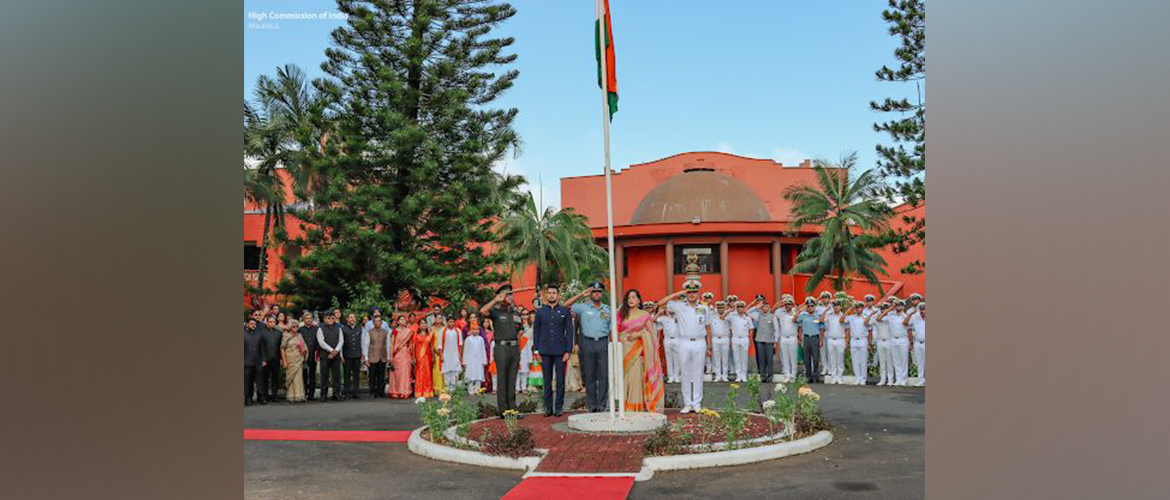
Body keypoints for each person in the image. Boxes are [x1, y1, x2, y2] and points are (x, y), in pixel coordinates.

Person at [480, 284, 530, 415]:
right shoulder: (496, 311)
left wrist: (518, 347)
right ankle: (503, 410)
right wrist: (495, 300)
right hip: (501, 348)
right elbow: (482, 311)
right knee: (502, 379)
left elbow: (519, 330)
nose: (509, 296)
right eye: (506, 294)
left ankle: (512, 409)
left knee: (512, 380)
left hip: (514, 348)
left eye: (510, 294)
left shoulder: (515, 313)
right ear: (500, 296)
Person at [658, 285, 708, 413]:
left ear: (698, 293)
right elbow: (660, 303)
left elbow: (707, 327)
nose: (691, 294)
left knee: (698, 374)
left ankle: (697, 403)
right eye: (689, 292)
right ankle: (687, 403)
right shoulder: (679, 306)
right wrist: (678, 293)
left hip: (700, 341)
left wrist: (709, 346)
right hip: (684, 342)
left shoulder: (703, 307)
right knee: (685, 373)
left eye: (694, 292)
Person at [563, 282, 610, 412]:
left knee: (603, 376)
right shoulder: (583, 308)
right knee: (589, 375)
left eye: (599, 291)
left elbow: (612, 329)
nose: (596, 294)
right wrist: (581, 294)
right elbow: (565, 305)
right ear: (590, 293)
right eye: (594, 291)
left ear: (602, 293)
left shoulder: (608, 310)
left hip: (603, 343)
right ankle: (591, 405)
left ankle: (602, 405)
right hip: (587, 343)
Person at [618, 289, 665, 412]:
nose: (631, 299)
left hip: (637, 352)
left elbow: (651, 334)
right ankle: (623, 406)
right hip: (623, 350)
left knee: (634, 378)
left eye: (634, 297)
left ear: (639, 300)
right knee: (624, 378)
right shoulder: (622, 314)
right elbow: (617, 332)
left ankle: (634, 407)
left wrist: (639, 334)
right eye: (629, 298)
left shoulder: (644, 315)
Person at [532, 284, 574, 417]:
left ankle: (559, 408)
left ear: (558, 295)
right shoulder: (540, 311)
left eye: (554, 293)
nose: (551, 295)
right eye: (549, 293)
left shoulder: (565, 311)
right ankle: (548, 408)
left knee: (560, 381)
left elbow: (570, 332)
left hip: (560, 352)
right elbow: (536, 332)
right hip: (544, 351)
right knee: (547, 381)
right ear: (546, 295)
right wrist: (537, 351)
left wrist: (568, 351)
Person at [877, 300, 910, 386]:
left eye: (899, 305)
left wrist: (911, 342)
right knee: (896, 361)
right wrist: (891, 307)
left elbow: (909, 329)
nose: (897, 307)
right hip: (893, 340)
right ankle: (898, 379)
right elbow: (879, 318)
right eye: (896, 306)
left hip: (903, 339)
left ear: (903, 307)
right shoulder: (891, 316)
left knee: (903, 361)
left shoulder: (905, 316)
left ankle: (904, 380)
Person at [315, 310, 344, 401]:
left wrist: (336, 351)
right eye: (328, 318)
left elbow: (341, 341)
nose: (331, 319)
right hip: (325, 356)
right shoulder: (320, 328)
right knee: (324, 376)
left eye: (332, 318)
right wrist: (331, 350)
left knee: (336, 376)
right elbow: (321, 342)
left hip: (336, 355)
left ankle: (336, 394)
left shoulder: (338, 327)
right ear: (324, 319)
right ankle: (323, 395)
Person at [750, 300, 780, 383]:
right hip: (760, 340)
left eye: (766, 306)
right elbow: (747, 312)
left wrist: (776, 341)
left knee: (769, 359)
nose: (765, 308)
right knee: (761, 359)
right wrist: (756, 306)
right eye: (763, 307)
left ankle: (770, 375)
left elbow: (776, 329)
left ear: (769, 308)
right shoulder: (758, 315)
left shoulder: (772, 316)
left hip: (769, 340)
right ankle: (763, 376)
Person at [867, 297, 893, 386]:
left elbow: (880, 318)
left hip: (889, 341)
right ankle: (882, 379)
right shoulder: (877, 317)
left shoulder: (890, 318)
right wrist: (872, 313)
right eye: (882, 309)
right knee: (882, 362)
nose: (883, 310)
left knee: (889, 361)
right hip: (880, 341)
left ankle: (890, 380)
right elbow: (866, 323)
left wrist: (889, 309)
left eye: (885, 309)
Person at [363, 316, 390, 398]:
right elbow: (366, 345)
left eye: (379, 321)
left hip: (383, 356)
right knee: (372, 376)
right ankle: (372, 392)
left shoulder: (386, 332)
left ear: (381, 322)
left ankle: (381, 392)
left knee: (381, 376)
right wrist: (366, 358)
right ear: (374, 323)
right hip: (372, 357)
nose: (378, 322)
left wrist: (388, 357)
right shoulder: (369, 332)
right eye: (376, 321)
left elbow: (388, 345)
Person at [797, 300, 824, 383]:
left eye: (812, 306)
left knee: (816, 358)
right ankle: (808, 376)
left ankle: (815, 375)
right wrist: (799, 310)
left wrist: (821, 340)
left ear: (814, 307)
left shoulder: (818, 316)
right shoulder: (803, 315)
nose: (810, 307)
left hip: (815, 338)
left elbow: (822, 328)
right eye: (808, 306)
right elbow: (796, 322)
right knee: (806, 359)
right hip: (806, 338)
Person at [821, 300, 847, 384]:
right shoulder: (829, 316)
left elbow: (847, 329)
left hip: (840, 339)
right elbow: (821, 320)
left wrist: (847, 340)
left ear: (840, 307)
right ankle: (833, 376)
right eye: (834, 306)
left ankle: (839, 376)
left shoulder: (843, 316)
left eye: (837, 305)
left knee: (840, 359)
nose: (836, 307)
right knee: (831, 359)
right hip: (830, 339)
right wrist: (826, 310)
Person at [727, 300, 754, 382]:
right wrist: (731, 310)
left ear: (744, 308)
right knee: (736, 358)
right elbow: (722, 317)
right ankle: (738, 375)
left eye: (741, 307)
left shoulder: (748, 318)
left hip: (744, 338)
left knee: (744, 358)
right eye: (738, 307)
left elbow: (751, 329)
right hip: (735, 338)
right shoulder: (732, 316)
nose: (739, 309)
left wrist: (750, 340)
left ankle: (744, 375)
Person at [387, 315, 414, 399]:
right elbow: (391, 344)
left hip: (405, 354)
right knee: (396, 373)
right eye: (401, 319)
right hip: (396, 354)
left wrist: (411, 351)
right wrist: (391, 356)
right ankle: (396, 391)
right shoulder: (394, 331)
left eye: (404, 319)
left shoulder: (409, 331)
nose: (402, 321)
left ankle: (404, 391)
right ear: (398, 322)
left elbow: (411, 344)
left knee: (405, 373)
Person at [845, 302, 871, 386]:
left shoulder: (866, 317)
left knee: (863, 360)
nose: (857, 309)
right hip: (853, 339)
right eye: (856, 308)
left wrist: (869, 343)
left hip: (863, 339)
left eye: (859, 307)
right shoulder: (851, 317)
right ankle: (857, 378)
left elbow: (870, 331)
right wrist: (850, 308)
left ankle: (863, 378)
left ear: (862, 308)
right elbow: (841, 319)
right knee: (855, 360)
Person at [280, 322, 307, 402]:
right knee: (291, 377)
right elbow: (282, 348)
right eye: (293, 326)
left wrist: (303, 350)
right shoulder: (286, 336)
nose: (295, 328)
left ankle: (300, 395)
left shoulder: (299, 336)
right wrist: (284, 360)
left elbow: (304, 347)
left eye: (296, 326)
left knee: (298, 377)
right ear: (289, 327)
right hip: (289, 358)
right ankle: (291, 396)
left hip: (298, 358)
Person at [259, 315, 283, 403]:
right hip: (265, 359)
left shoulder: (279, 333)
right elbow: (260, 347)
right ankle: (264, 396)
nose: (272, 323)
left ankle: (274, 396)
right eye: (270, 322)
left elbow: (280, 347)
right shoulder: (262, 333)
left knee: (275, 378)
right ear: (267, 322)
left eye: (273, 322)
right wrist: (263, 359)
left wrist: (281, 358)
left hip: (276, 359)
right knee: (265, 379)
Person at [340, 313, 364, 399]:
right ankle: (347, 393)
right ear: (347, 319)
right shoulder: (343, 329)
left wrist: (363, 354)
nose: (352, 319)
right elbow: (341, 342)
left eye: (353, 317)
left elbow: (362, 342)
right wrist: (341, 355)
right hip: (347, 355)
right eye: (350, 317)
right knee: (347, 375)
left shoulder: (360, 328)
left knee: (356, 375)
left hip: (357, 355)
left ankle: (356, 392)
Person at [776, 297, 800, 382]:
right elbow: (773, 311)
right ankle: (787, 374)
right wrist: (780, 304)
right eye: (786, 304)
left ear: (792, 304)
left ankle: (793, 375)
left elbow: (799, 322)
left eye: (789, 304)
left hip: (793, 337)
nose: (787, 306)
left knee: (793, 357)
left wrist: (797, 312)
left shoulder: (796, 312)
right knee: (785, 357)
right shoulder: (781, 312)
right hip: (783, 338)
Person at [297, 312, 319, 401]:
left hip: (313, 355)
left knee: (312, 375)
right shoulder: (300, 330)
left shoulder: (316, 329)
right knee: (304, 375)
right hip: (303, 356)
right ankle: (304, 392)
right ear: (303, 320)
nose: (309, 320)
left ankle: (311, 394)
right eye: (307, 318)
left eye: (310, 318)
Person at [708, 301, 731, 382]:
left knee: (725, 358)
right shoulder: (712, 316)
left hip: (725, 338)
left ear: (724, 308)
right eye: (719, 308)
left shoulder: (728, 315)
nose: (720, 309)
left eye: (722, 308)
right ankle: (718, 375)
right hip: (715, 338)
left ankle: (725, 375)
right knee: (716, 358)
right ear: (716, 308)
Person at [244, 318, 266, 406]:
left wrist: (264, 359)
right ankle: (248, 398)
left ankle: (261, 397)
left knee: (260, 380)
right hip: (246, 361)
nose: (253, 325)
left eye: (254, 324)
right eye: (251, 324)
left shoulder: (259, 334)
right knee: (247, 381)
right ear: (247, 324)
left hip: (258, 361)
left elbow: (263, 347)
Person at [657, 306, 681, 383]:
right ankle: (670, 377)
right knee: (669, 358)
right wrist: (659, 313)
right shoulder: (664, 318)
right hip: (667, 339)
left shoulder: (679, 318)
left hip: (677, 339)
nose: (671, 311)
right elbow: (653, 320)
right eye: (670, 309)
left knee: (677, 359)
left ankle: (676, 376)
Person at [412, 318, 435, 398]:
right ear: (419, 325)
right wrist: (413, 357)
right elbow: (413, 346)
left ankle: (427, 391)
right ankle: (419, 391)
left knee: (427, 374)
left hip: (427, 356)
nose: (423, 325)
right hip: (419, 357)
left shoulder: (430, 335)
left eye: (424, 323)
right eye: (421, 323)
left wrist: (433, 357)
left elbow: (432, 346)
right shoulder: (416, 334)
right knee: (419, 374)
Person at [462, 325, 488, 394]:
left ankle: (477, 390)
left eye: (477, 329)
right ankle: (470, 390)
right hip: (470, 360)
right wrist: (464, 361)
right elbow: (465, 351)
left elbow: (483, 350)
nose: (475, 331)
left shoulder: (481, 339)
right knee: (470, 376)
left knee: (478, 375)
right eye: (474, 329)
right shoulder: (468, 339)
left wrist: (484, 360)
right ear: (470, 330)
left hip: (479, 360)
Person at [905, 302, 925, 387]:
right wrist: (911, 314)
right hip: (917, 343)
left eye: (923, 310)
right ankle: (920, 380)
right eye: (921, 310)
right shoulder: (916, 318)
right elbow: (905, 323)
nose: (922, 311)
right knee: (920, 363)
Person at [518, 312, 533, 393]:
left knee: (524, 373)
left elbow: (528, 351)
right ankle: (517, 388)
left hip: (525, 357)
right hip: (517, 355)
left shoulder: (526, 340)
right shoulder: (516, 340)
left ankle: (524, 387)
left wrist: (530, 360)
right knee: (517, 373)